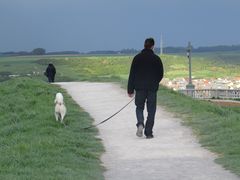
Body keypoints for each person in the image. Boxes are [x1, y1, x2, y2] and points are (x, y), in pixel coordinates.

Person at [127, 38, 164, 139]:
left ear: (144, 45)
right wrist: (155, 82)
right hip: (152, 88)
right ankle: (148, 133)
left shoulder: (137, 58)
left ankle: (140, 124)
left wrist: (130, 90)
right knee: (151, 110)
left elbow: (132, 75)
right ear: (153, 46)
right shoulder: (156, 59)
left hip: (139, 89)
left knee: (139, 107)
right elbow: (161, 74)